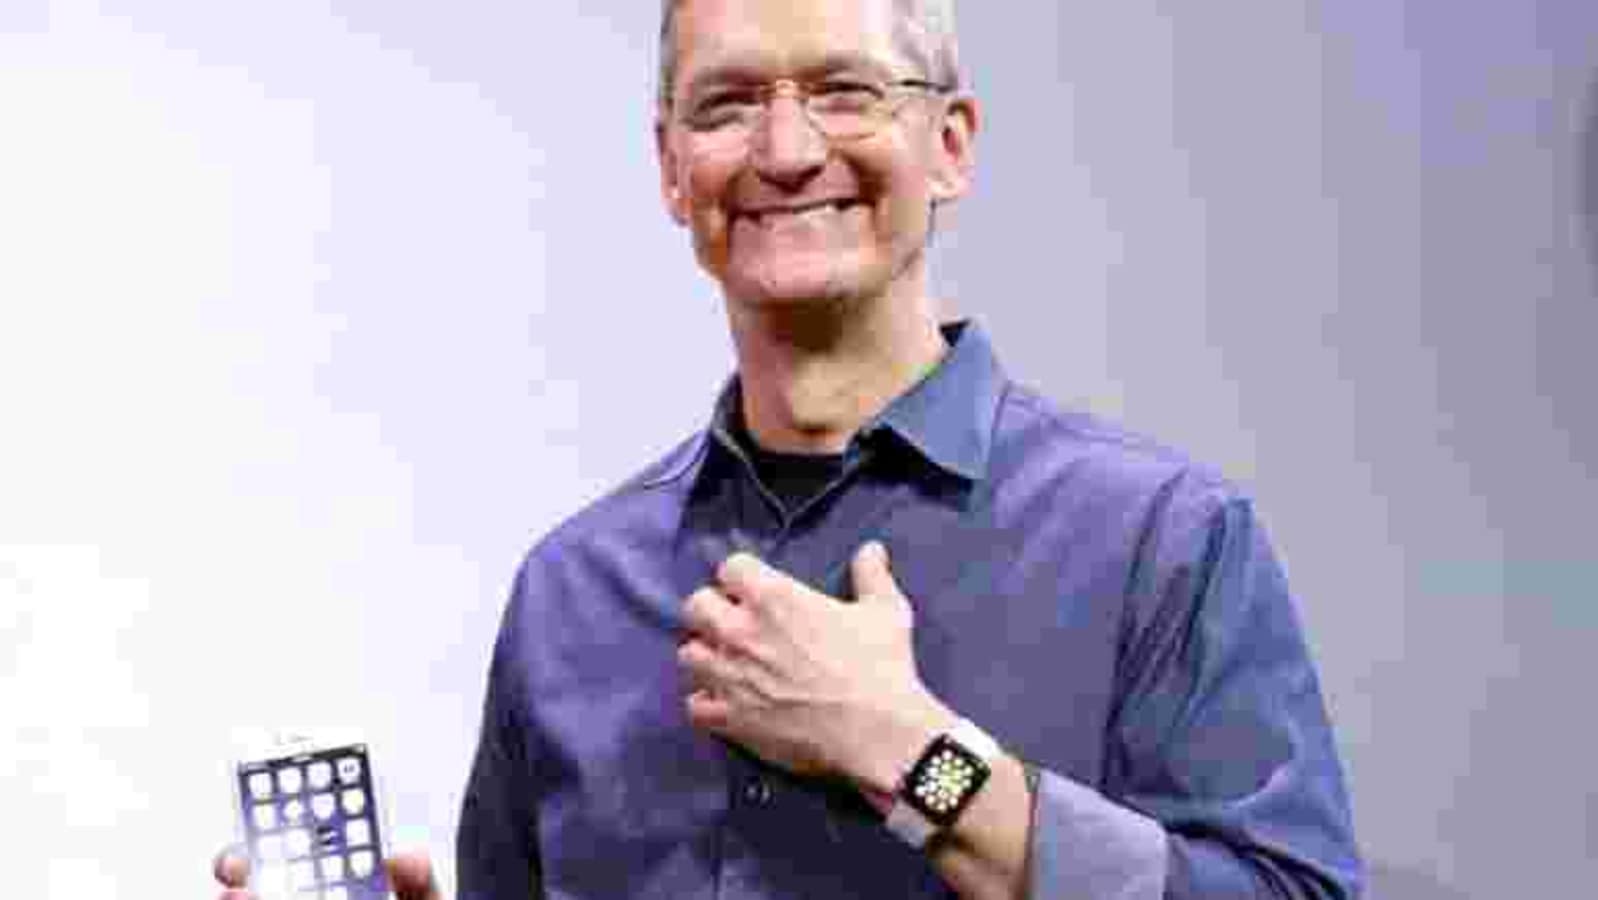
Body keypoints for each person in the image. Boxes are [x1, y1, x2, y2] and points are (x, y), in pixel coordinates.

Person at [216, 0, 1364, 896]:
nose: (782, 148)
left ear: (949, 143)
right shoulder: (571, 592)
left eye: (843, 91)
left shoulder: (1161, 543)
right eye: (723, 106)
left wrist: (910, 752)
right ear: (670, 166)